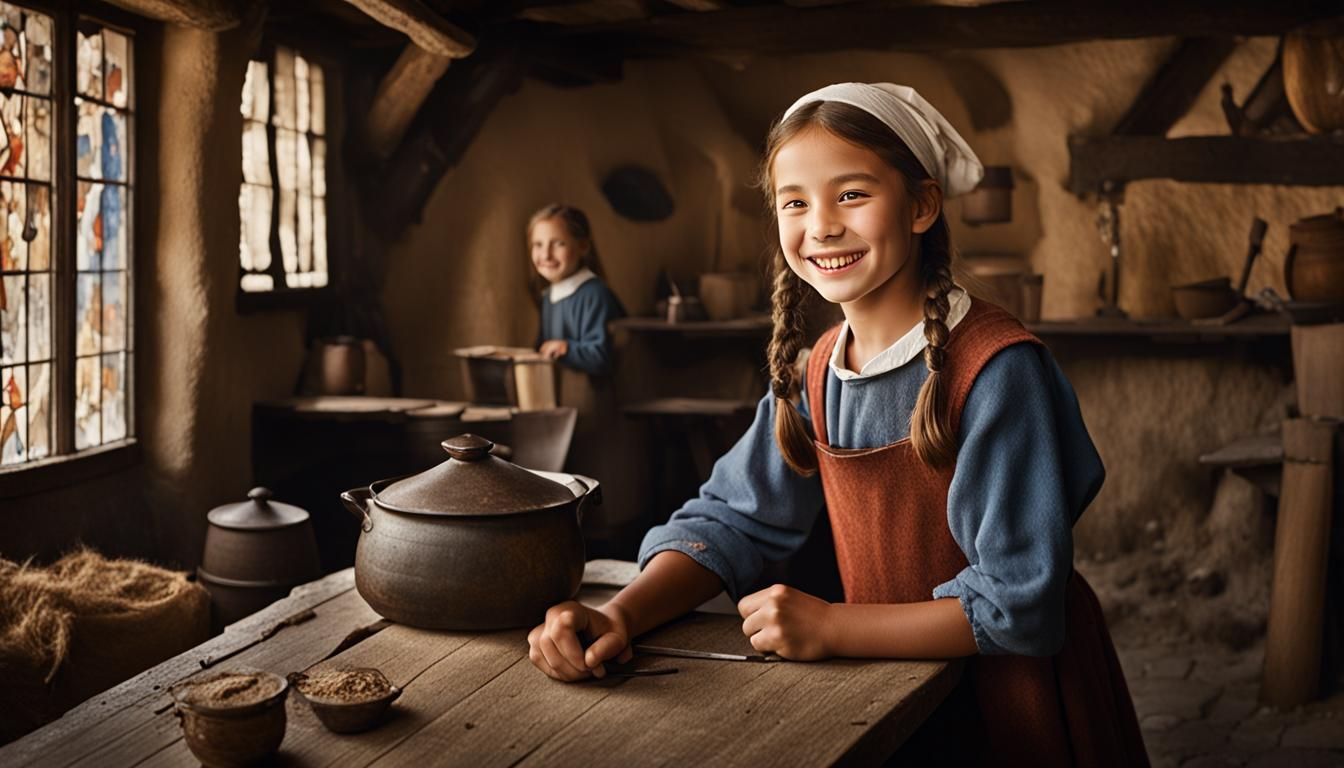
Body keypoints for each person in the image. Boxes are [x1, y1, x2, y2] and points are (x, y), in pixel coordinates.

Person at [526, 83, 1147, 766]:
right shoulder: (818, 373)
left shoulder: (995, 371)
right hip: (888, 689)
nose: (820, 225)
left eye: (851, 194)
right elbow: (731, 517)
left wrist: (832, 625)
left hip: (1011, 697)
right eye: (795, 202)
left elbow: (1018, 605)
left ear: (921, 205)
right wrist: (623, 613)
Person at [529, 204, 625, 376]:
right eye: (538, 244)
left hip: (595, 398)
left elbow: (602, 358)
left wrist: (565, 348)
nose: (546, 255)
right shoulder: (548, 297)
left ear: (583, 246)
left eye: (559, 244)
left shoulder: (595, 295)